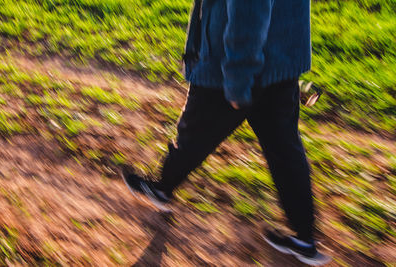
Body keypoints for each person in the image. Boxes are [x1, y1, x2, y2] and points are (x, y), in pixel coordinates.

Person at [122, 0, 331, 265]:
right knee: (285, 150)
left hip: (234, 65)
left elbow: (249, 9)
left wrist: (238, 78)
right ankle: (305, 239)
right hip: (280, 63)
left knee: (196, 131)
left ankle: (163, 188)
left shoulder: (237, 70)